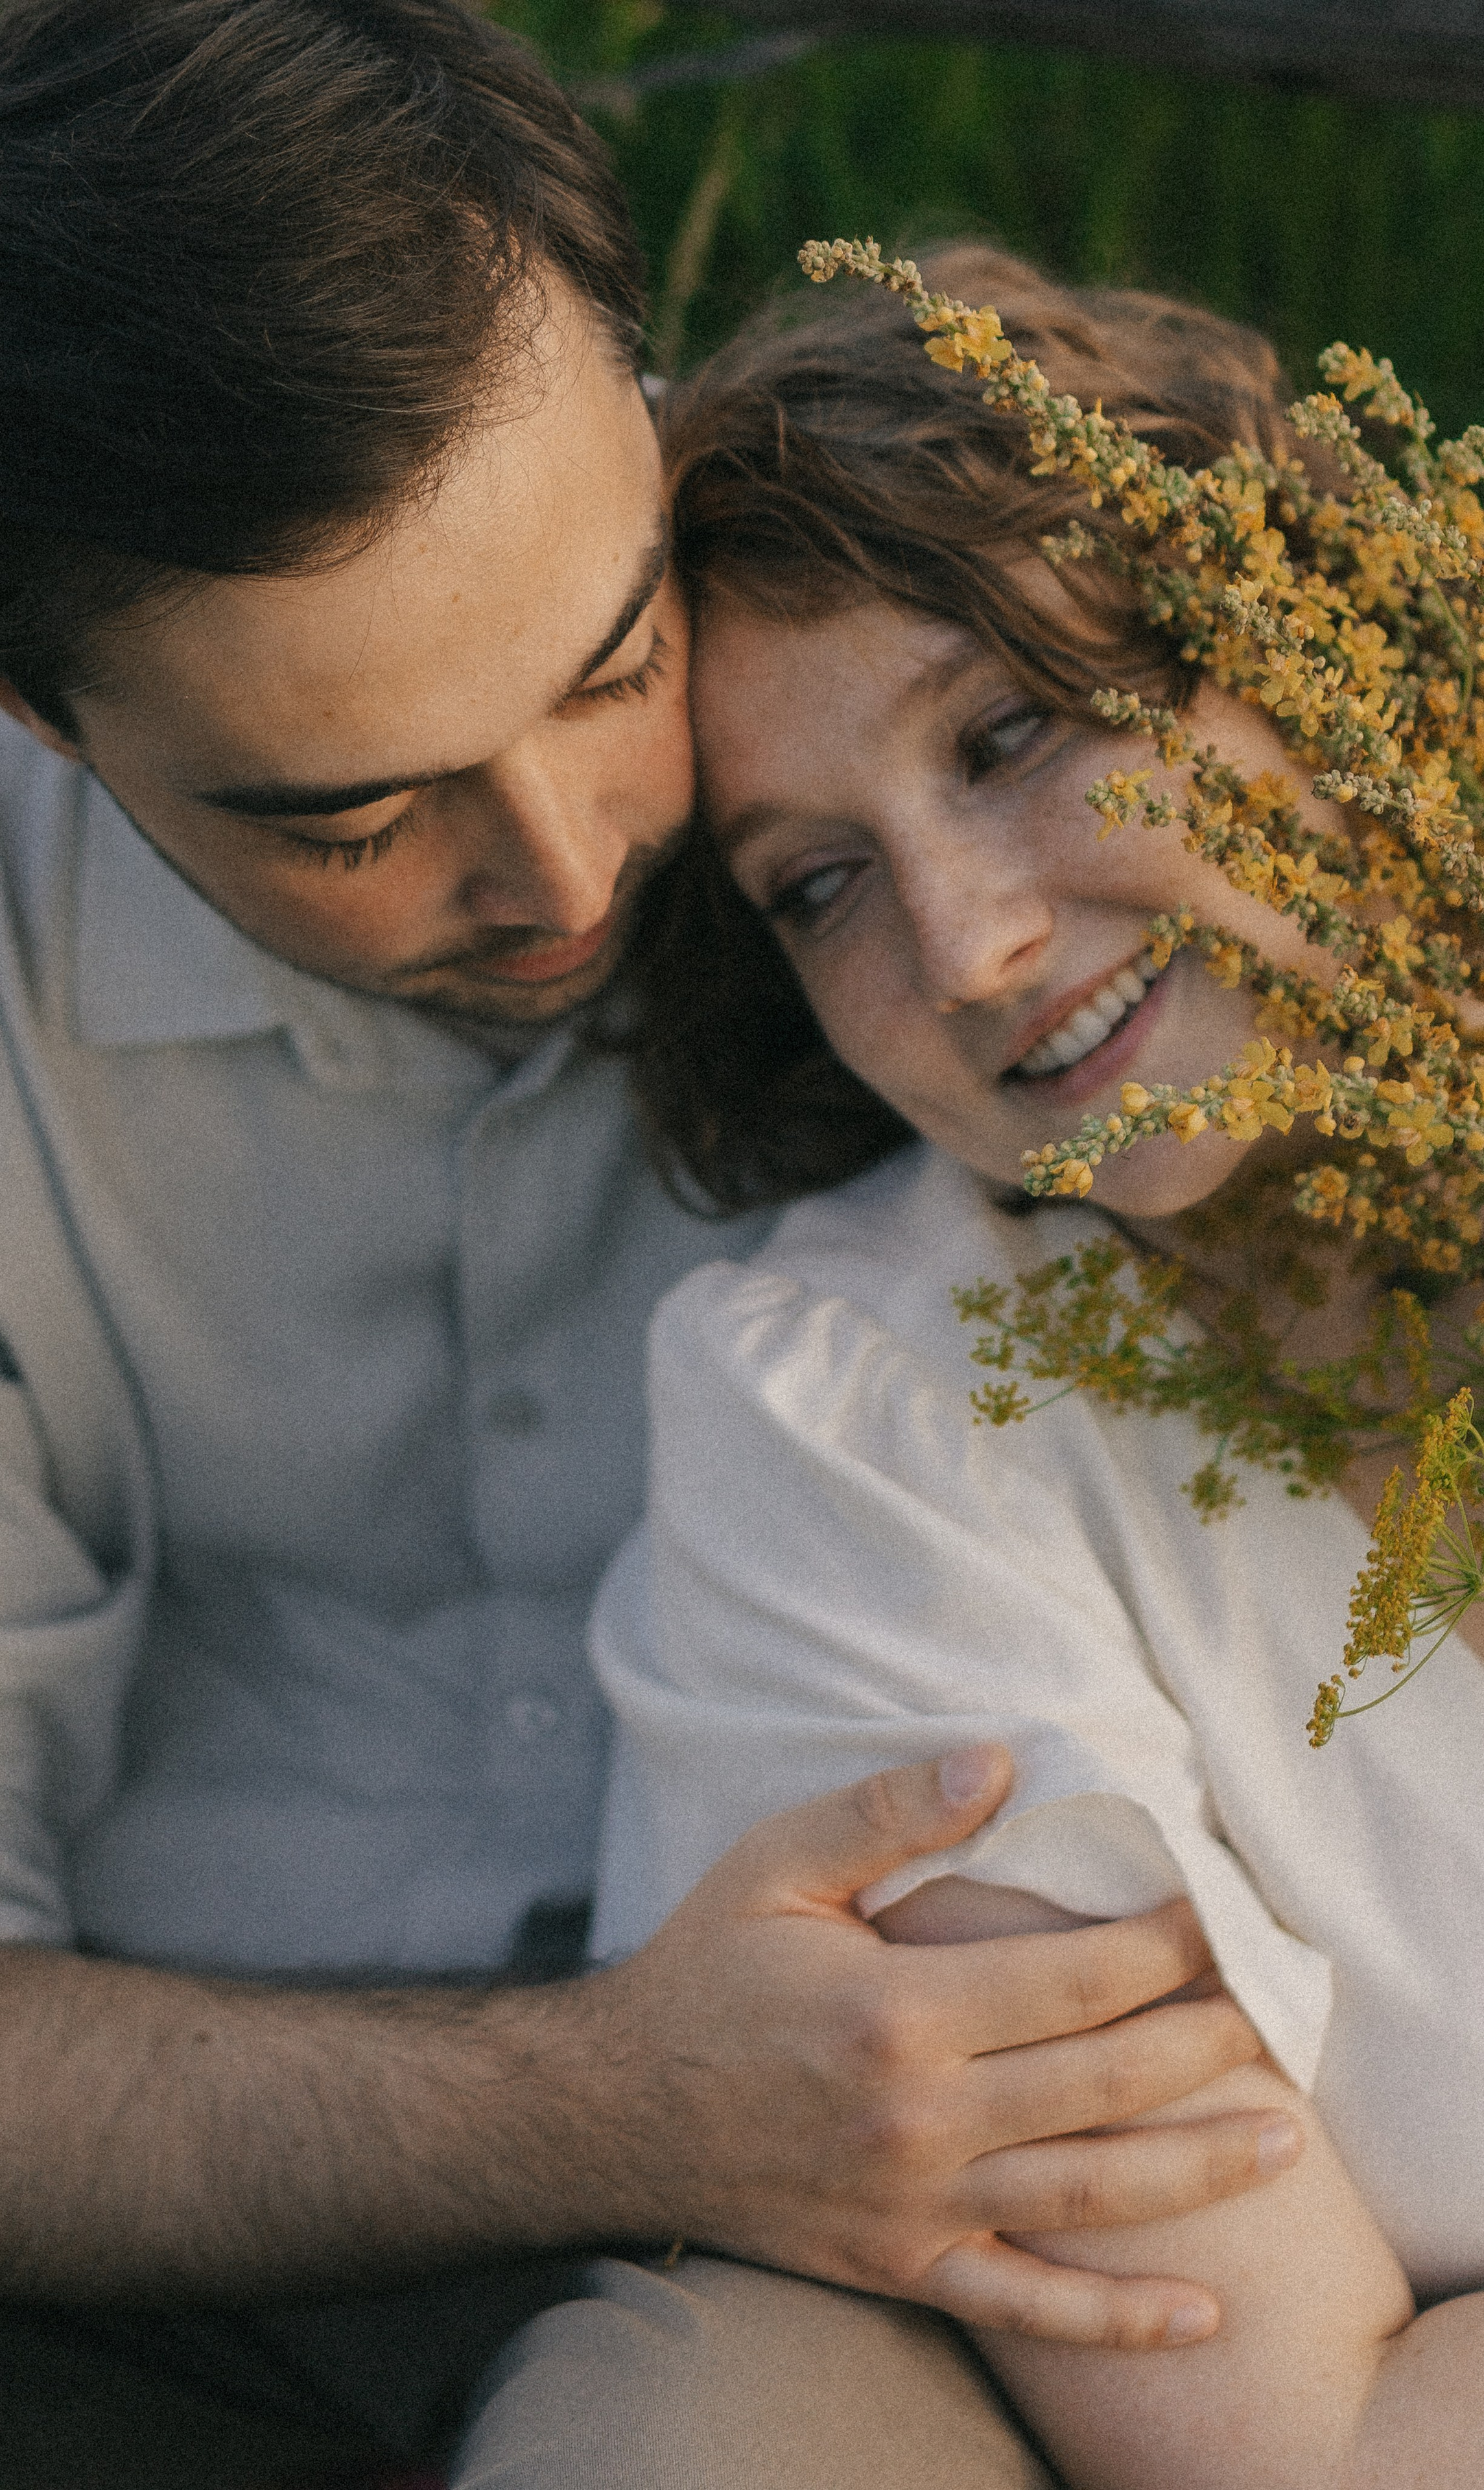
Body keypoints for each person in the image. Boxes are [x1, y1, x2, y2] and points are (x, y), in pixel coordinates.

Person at [0, 13, 1301, 2482]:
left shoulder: (927, 788)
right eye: (354, 817)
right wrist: (621, 2100)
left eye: (614, 665)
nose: (570, 866)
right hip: (128, 2181)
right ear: (34, 708)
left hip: (858, 2254)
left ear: (628, 383)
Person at [591, 244, 1484, 2487]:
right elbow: (1316, 2447)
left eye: (1008, 737)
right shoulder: (865, 1427)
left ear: (1282, 650)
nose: (971, 946)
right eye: (817, 886)